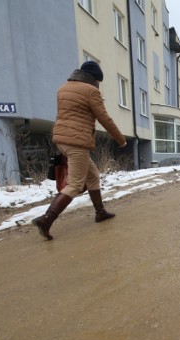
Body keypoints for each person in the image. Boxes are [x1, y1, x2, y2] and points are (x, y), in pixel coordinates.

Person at [32, 61, 127, 240]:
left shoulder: (63, 89)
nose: (98, 84)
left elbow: (62, 116)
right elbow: (104, 118)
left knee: (92, 176)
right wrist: (120, 140)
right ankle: (46, 220)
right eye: (98, 80)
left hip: (62, 139)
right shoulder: (91, 91)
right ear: (93, 78)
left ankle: (100, 212)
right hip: (76, 142)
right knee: (75, 184)